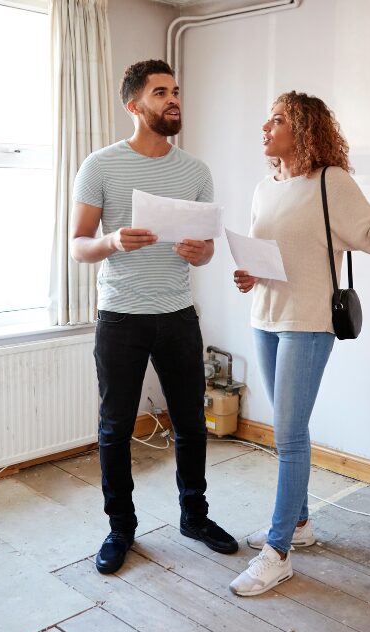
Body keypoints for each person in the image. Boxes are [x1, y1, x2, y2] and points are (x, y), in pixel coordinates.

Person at [228, 91, 370, 596]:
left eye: (278, 120)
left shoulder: (332, 182)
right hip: (264, 317)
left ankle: (278, 552)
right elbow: (273, 256)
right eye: (268, 118)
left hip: (308, 322)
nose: (266, 127)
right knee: (286, 430)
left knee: (289, 434)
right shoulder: (264, 188)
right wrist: (248, 275)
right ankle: (300, 525)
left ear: (302, 130)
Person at [71, 59, 238, 575]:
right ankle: (120, 528)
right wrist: (113, 240)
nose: (173, 100)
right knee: (115, 428)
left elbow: (207, 250)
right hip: (121, 317)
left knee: (191, 424)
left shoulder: (195, 171)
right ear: (134, 106)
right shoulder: (99, 165)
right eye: (160, 92)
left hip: (178, 314)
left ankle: (195, 516)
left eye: (176, 91)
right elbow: (79, 246)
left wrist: (198, 253)